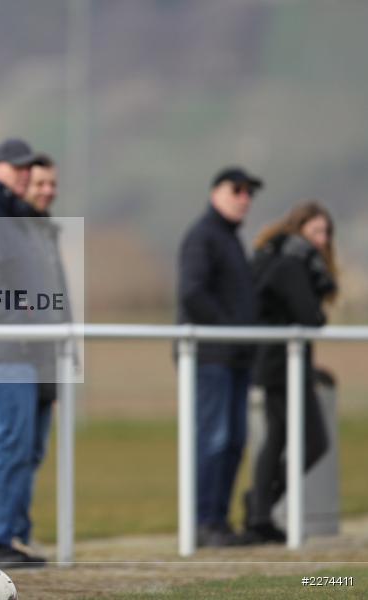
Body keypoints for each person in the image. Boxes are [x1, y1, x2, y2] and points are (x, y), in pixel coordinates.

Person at [0, 144, 69, 566]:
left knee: (27, 448)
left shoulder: (17, 214)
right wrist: (22, 317)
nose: (25, 175)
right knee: (12, 444)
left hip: (31, 352)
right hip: (5, 349)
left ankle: (14, 537)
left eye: (29, 168)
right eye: (17, 168)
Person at [177, 166, 261, 547]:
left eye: (249, 193)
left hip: (236, 357)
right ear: (215, 192)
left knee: (234, 440)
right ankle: (202, 522)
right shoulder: (203, 236)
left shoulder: (229, 239)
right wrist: (229, 329)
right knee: (213, 438)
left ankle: (219, 521)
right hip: (210, 357)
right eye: (237, 190)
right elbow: (192, 293)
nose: (244, 198)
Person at [242, 202, 335, 544]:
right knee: (313, 442)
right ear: (298, 230)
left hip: (281, 363)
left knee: (279, 438)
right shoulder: (291, 264)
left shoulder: (284, 259)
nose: (322, 241)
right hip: (281, 366)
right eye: (315, 232)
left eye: (326, 233)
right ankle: (260, 505)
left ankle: (260, 511)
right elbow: (309, 318)